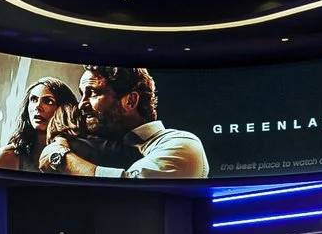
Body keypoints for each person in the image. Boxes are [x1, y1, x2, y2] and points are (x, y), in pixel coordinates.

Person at [38, 66, 208, 179]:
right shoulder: (103, 144)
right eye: (82, 94)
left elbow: (130, 185)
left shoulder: (182, 143)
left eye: (93, 93)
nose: (82, 104)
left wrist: (61, 157)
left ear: (130, 101)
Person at [0, 78, 79, 170]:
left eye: (48, 101)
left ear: (65, 110)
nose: (37, 107)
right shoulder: (7, 156)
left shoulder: (79, 156)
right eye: (33, 100)